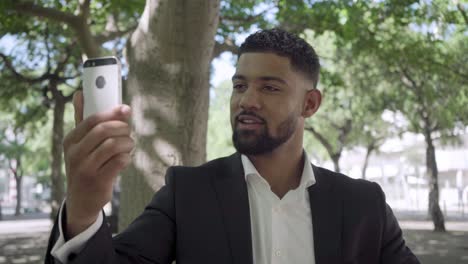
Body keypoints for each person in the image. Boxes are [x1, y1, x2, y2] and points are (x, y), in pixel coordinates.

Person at [45, 28, 420, 264]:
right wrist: (83, 209)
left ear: (310, 104)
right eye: (239, 86)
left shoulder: (363, 205)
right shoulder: (186, 193)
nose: (246, 100)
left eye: (269, 87)